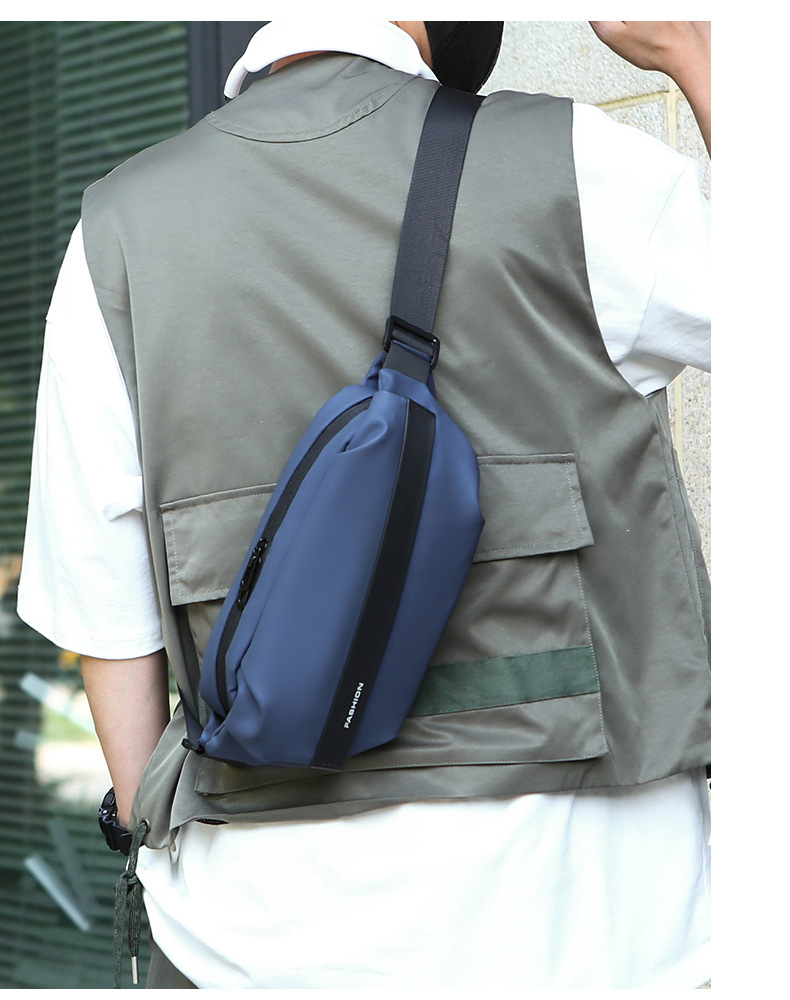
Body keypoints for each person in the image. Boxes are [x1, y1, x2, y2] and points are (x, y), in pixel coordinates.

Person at [17, 20, 711, 989]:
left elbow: (105, 606)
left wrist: (150, 835)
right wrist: (700, 61)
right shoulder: (569, 164)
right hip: (595, 912)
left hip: (252, 933)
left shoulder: (117, 232)